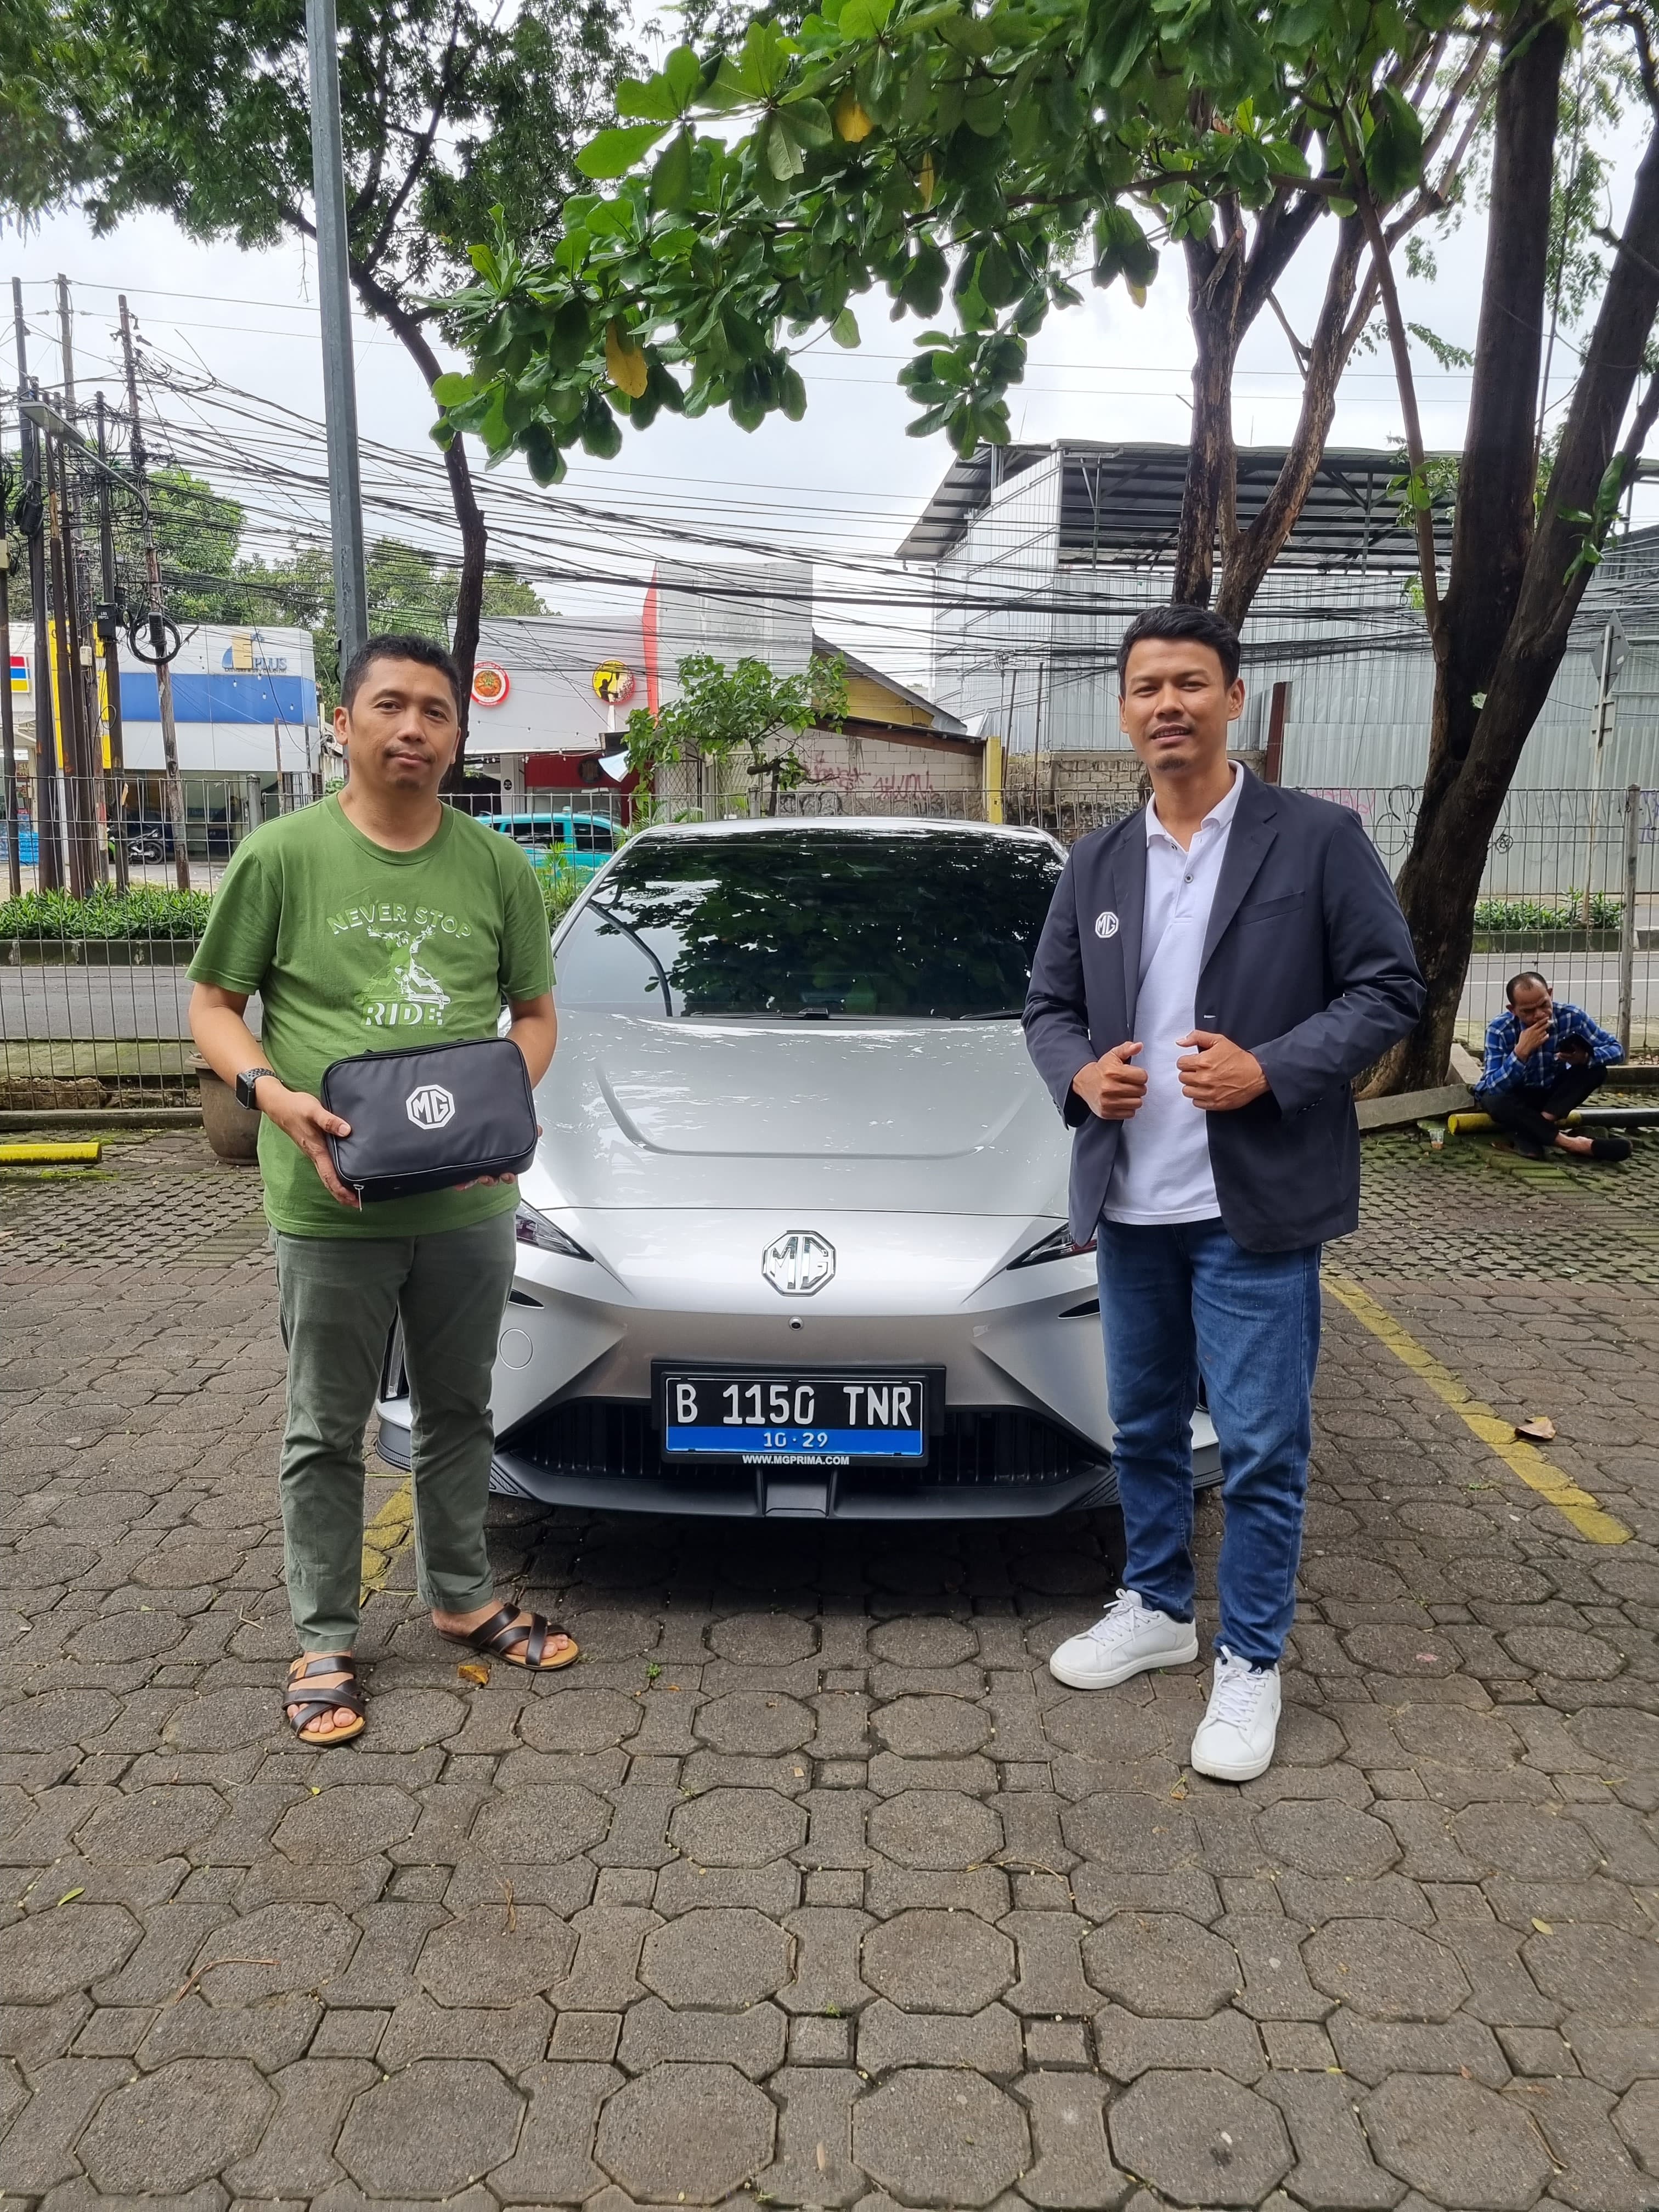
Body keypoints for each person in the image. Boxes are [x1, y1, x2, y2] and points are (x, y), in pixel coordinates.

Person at [1024, 605, 1424, 1782]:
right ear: (1124, 710)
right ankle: (1155, 1606)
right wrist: (1079, 1075)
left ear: (1232, 698)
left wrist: (1272, 1069)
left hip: (1253, 1205)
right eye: (1146, 686)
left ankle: (1250, 1659)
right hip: (1129, 1204)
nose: (1168, 705)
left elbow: (1388, 987)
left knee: (1257, 1447)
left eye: (1190, 683)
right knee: (1144, 1427)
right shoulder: (1096, 861)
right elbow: (1046, 1008)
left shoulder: (1315, 840)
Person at [189, 634, 577, 1747]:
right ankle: (324, 1636)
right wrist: (272, 1096)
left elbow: (535, 1017)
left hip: (467, 1201)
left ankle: (461, 1597)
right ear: (343, 723)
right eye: (391, 705)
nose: (414, 728)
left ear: (457, 735)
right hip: (331, 1202)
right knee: (324, 1425)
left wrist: (501, 1110)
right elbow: (213, 1005)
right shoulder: (281, 856)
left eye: (436, 711)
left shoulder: (496, 866)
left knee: (460, 1409)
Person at [1475, 972, 1629, 1163]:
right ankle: (1573, 1144)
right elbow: (1492, 1085)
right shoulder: (1499, 1029)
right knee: (1493, 1099)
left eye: (1544, 1005)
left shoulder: (1572, 1017)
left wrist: (1585, 1057)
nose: (1539, 1015)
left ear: (1550, 994)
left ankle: (1534, 1129)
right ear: (1513, 1010)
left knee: (1597, 1070)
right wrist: (1520, 1054)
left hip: (1551, 1100)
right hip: (1517, 1098)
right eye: (1528, 1011)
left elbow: (1617, 1050)